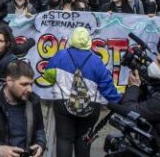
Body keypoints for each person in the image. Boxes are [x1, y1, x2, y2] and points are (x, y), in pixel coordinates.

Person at [42, 27, 121, 157]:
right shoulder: (97, 61)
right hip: (90, 108)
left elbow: (47, 75)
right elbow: (107, 87)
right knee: (84, 141)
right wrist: (120, 103)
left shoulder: (60, 55)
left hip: (63, 105)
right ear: (88, 41)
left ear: (71, 39)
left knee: (64, 140)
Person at [0, 59, 47, 157]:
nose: (30, 89)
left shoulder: (33, 101)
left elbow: (39, 129)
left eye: (31, 84)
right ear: (9, 81)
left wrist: (40, 144)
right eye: (24, 84)